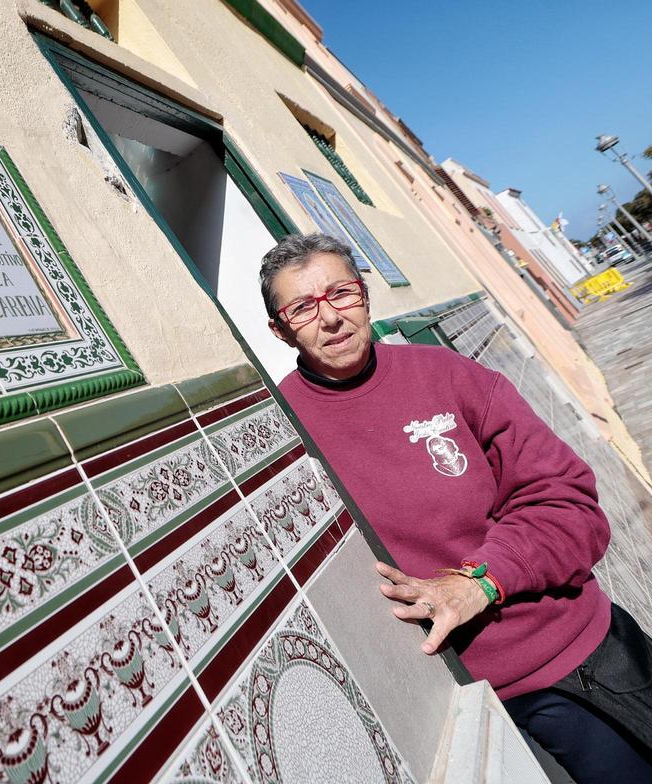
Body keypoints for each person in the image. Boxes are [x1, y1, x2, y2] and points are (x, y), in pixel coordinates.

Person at [261, 233, 652, 782]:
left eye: (342, 293)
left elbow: (568, 502)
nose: (330, 318)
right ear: (280, 331)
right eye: (303, 307)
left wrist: (479, 583)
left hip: (573, 662)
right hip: (440, 708)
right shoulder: (282, 436)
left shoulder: (446, 374)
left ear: (366, 296)